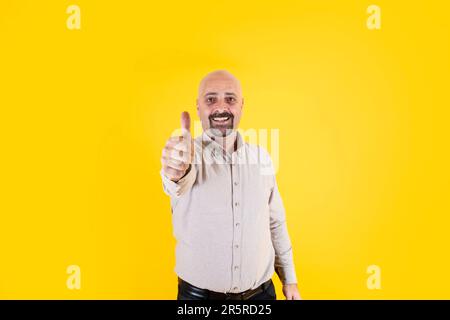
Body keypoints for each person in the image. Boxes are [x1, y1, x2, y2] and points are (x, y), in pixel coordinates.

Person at [160, 70, 300, 300]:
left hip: (261, 297)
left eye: (230, 99)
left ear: (242, 105)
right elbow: (175, 181)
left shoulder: (262, 158)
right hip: (199, 300)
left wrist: (290, 279)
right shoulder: (188, 156)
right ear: (198, 107)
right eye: (211, 99)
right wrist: (175, 169)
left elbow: (275, 223)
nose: (221, 107)